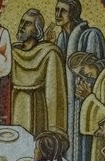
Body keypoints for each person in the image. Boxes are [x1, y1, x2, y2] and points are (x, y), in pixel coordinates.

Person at [45, 0, 105, 161]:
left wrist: (88, 92)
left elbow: (98, 73)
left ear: (72, 13)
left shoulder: (90, 35)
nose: (58, 14)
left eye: (63, 11)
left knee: (82, 147)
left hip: (83, 101)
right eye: (56, 10)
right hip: (66, 104)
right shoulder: (61, 39)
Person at [12, 8, 68, 142]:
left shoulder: (49, 53)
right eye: (22, 22)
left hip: (38, 114)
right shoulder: (13, 51)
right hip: (13, 112)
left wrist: (54, 131)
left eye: (28, 23)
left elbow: (55, 95)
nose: (21, 26)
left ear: (37, 30)